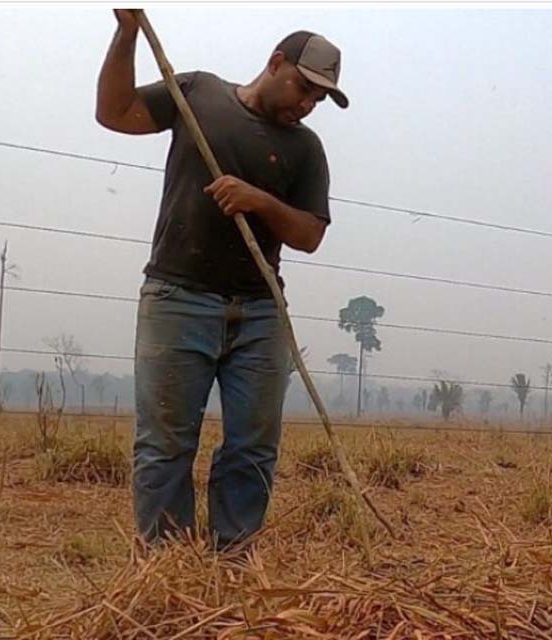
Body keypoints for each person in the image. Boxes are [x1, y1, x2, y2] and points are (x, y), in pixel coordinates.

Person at [95, 8, 348, 547]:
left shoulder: (306, 148)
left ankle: (233, 566)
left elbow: (308, 234)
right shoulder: (199, 93)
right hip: (177, 298)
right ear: (276, 62)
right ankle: (168, 573)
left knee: (253, 449)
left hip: (260, 312)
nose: (308, 104)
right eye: (304, 87)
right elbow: (115, 113)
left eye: (319, 98)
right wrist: (127, 33)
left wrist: (257, 200)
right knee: (164, 445)